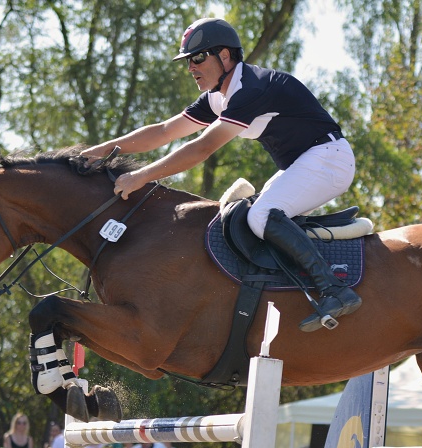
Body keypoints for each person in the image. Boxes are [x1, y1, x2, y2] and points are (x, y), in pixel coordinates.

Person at [81, 17, 361, 332]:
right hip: (307, 163)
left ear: (225, 57)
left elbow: (201, 149)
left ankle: (334, 290)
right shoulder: (218, 96)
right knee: (248, 218)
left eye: (198, 57)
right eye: (188, 61)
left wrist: (141, 177)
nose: (191, 67)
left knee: (262, 215)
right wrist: (102, 149)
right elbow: (163, 131)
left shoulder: (250, 89)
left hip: (329, 160)